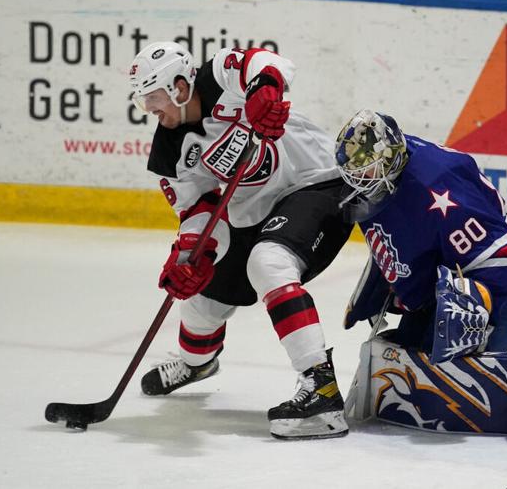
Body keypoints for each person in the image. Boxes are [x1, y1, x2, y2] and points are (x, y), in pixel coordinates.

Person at [127, 41, 354, 440]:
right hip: (253, 211)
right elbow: (199, 207)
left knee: (268, 261)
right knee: (202, 294)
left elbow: (267, 62)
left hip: (316, 183)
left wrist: (265, 89)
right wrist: (188, 256)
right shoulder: (169, 148)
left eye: (154, 97)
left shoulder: (218, 76)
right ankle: (197, 362)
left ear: (180, 87)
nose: (149, 109)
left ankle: (322, 389)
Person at [333, 110, 507, 440]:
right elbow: (404, 234)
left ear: (392, 158)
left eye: (368, 170)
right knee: (406, 353)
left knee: (454, 372)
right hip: (449, 282)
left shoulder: (436, 185)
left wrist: (466, 319)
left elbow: (504, 261)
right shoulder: (384, 172)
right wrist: (388, 281)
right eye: (356, 172)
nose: (361, 180)